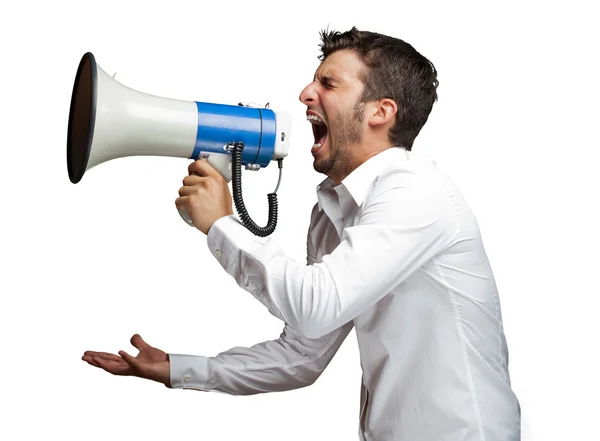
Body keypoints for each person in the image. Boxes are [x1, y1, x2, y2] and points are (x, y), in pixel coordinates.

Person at [82, 27, 521, 441]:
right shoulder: (331, 210)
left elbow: (315, 305)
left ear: (381, 112)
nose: (305, 94)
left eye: (328, 84)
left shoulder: (415, 189)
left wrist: (220, 225)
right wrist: (178, 369)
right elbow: (302, 356)